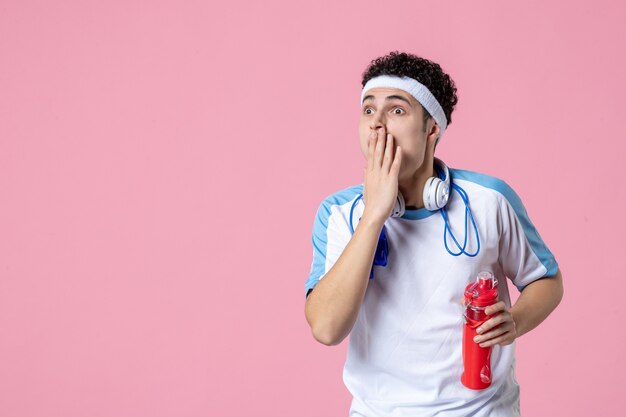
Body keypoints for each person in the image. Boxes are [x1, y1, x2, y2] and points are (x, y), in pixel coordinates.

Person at [303, 51, 564, 417]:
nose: (377, 124)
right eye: (367, 110)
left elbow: (547, 280)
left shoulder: (490, 200)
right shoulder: (339, 214)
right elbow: (327, 329)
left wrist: (516, 320)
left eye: (396, 111)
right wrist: (374, 214)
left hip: (482, 410)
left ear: (431, 129)